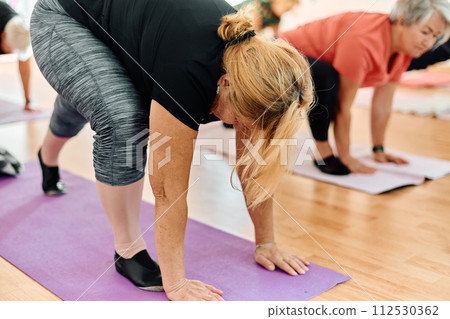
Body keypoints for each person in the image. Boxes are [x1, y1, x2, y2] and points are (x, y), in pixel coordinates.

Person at [30, 0, 313, 301]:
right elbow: (168, 188)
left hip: (122, 30)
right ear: (226, 83)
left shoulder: (253, 72)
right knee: (124, 121)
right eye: (241, 122)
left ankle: (46, 156)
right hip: (61, 18)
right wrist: (175, 283)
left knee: (88, 97)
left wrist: (265, 242)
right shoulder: (190, 68)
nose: (242, 131)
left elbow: (253, 162)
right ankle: (127, 252)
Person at [280, 0, 450, 175]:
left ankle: (340, 149)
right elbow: (342, 106)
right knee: (327, 79)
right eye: (425, 32)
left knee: (328, 77)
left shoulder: (405, 48)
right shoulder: (363, 40)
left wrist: (379, 149)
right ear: (401, 21)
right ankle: (323, 151)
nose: (429, 44)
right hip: (281, 55)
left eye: (435, 36)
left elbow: (383, 101)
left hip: (312, 60)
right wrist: (346, 157)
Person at [0, 1, 35, 112]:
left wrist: (27, 101)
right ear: (3, 36)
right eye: (13, 49)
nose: (14, 53)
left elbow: (25, 68)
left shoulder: (22, 30)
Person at [235, 0, 300, 35]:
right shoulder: (263, 3)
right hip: (235, 17)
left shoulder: (277, 18)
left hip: (244, 30)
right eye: (286, 9)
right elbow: (253, 28)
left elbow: (276, 37)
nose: (285, 13)